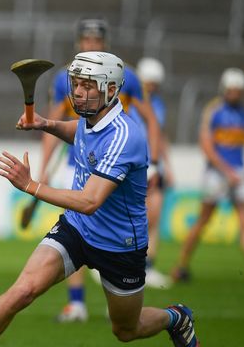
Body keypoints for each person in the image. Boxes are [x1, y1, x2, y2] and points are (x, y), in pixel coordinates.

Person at [0, 52, 198, 347]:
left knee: (126, 330)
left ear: (111, 90)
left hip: (119, 245)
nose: (78, 92)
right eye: (76, 84)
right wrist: (46, 123)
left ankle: (176, 318)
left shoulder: (126, 137)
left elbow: (89, 201)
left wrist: (31, 185)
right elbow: (80, 133)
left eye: (88, 86)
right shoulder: (90, 118)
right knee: (22, 292)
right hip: (77, 229)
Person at [25, 17, 163, 322]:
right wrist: (44, 168)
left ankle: (141, 278)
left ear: (105, 44)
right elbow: (55, 120)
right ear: (78, 44)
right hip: (78, 164)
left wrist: (153, 162)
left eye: (96, 41)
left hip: (120, 163)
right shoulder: (66, 78)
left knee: (125, 325)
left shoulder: (127, 76)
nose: (91, 45)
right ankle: (76, 303)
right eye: (86, 41)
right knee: (75, 228)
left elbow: (150, 119)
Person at [171, 67, 244, 285]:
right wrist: (227, 171)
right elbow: (207, 145)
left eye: (239, 90)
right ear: (224, 89)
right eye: (232, 90)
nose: (235, 94)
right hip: (216, 175)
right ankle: (181, 265)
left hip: (238, 174)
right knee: (203, 220)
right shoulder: (215, 110)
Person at [135, 57, 174, 289]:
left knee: (154, 216)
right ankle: (113, 263)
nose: (152, 87)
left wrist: (166, 166)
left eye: (155, 83)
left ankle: (148, 266)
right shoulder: (129, 101)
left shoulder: (158, 105)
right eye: (149, 82)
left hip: (154, 165)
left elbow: (160, 136)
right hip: (135, 165)